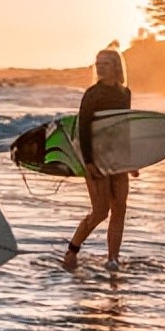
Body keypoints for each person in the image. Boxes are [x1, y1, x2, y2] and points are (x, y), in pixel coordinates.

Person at [62, 45, 134, 273]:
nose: (100, 67)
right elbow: (83, 129)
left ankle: (113, 259)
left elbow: (124, 128)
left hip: (117, 157)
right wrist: (89, 163)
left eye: (106, 64)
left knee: (119, 209)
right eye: (98, 64)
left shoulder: (125, 93)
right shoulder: (92, 94)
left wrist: (132, 161)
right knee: (101, 210)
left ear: (116, 67)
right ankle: (72, 251)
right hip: (95, 156)